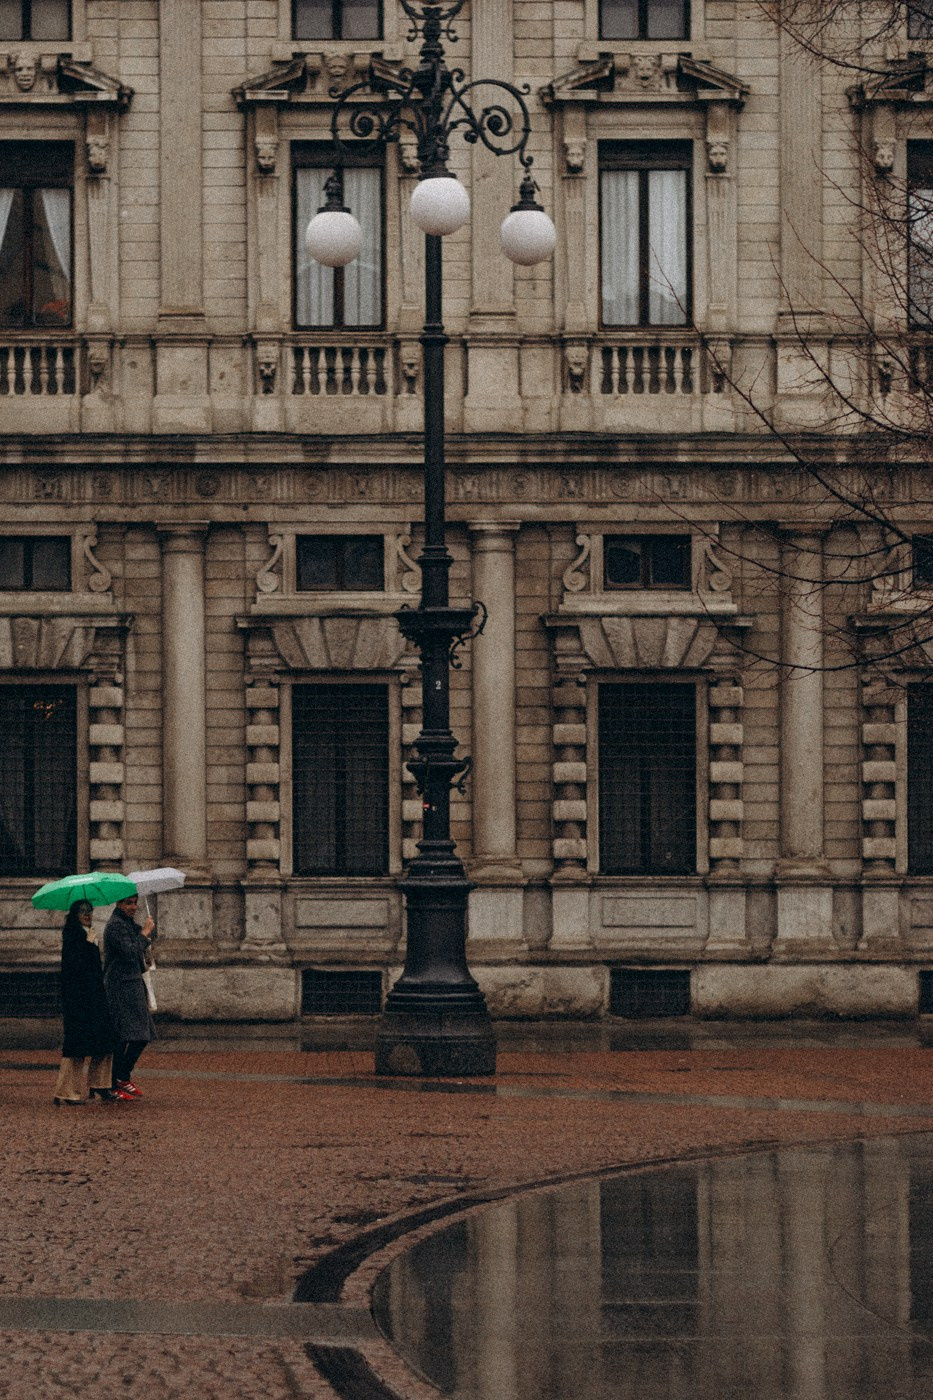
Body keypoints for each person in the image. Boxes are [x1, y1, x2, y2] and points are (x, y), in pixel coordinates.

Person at [53, 900, 120, 1106]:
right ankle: (67, 1092)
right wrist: (89, 944)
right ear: (75, 914)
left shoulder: (89, 933)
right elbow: (76, 966)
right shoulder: (74, 935)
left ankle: (100, 1084)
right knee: (76, 1046)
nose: (88, 914)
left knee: (106, 1041)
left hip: (95, 996)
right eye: (83, 911)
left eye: (90, 911)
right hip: (79, 998)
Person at [103, 893, 156, 1099]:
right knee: (126, 1036)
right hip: (121, 988)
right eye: (128, 903)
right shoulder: (115, 926)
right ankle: (118, 1079)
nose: (133, 907)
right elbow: (130, 953)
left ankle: (122, 1077)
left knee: (142, 1033)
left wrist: (144, 932)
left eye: (135, 903)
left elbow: (139, 945)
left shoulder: (126, 924)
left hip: (133, 985)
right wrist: (144, 934)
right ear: (119, 903)